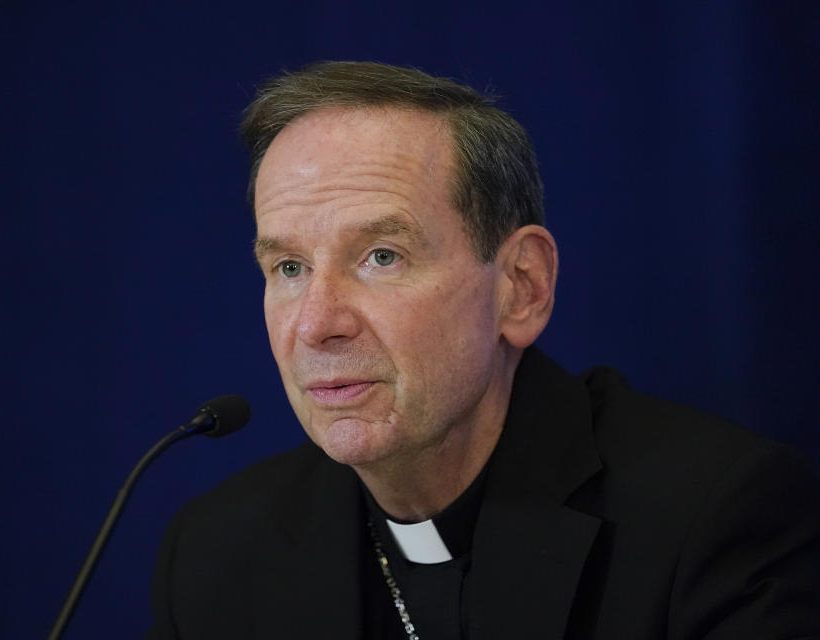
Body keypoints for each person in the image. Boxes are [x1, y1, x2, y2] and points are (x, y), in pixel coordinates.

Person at [147, 62, 820, 639]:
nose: (317, 323)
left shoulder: (714, 523)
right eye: (289, 268)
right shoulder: (216, 556)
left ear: (521, 288)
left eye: (382, 256)